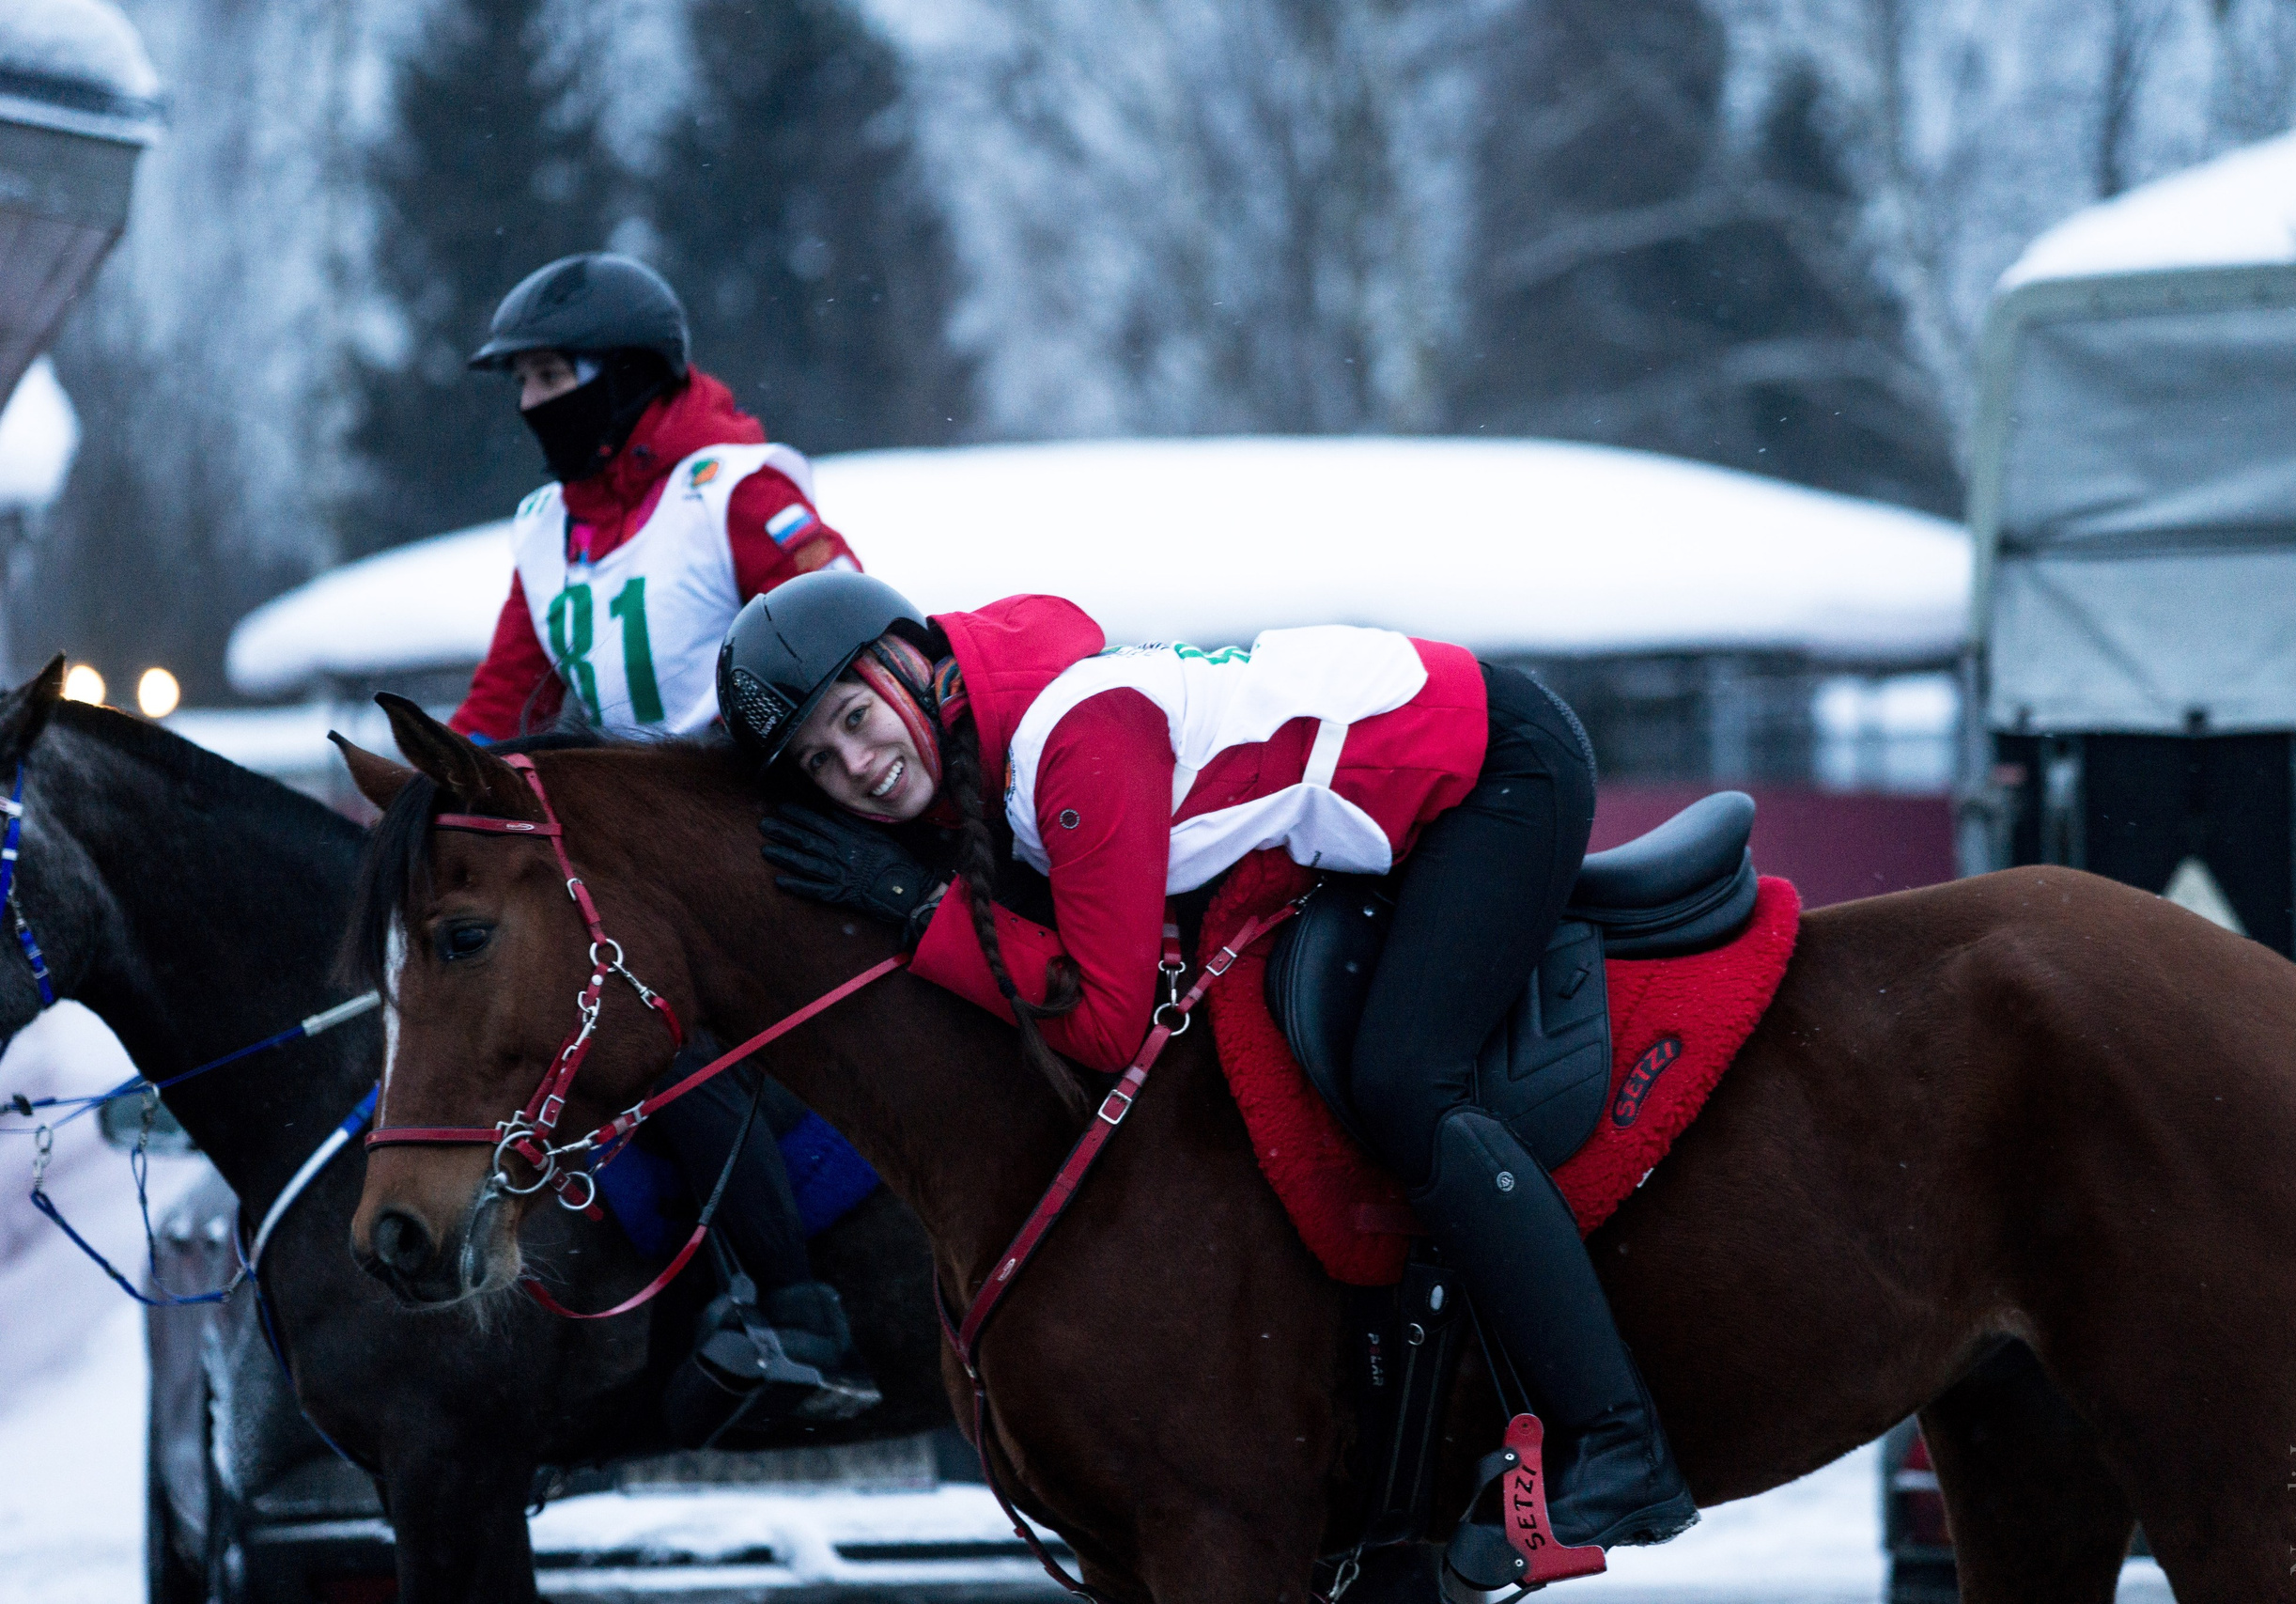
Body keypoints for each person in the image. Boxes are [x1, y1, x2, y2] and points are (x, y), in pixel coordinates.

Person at [715, 572, 1699, 1582]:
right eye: (820, 763)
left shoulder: (1070, 743)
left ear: (910, 663)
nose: (857, 766)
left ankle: (1615, 1439)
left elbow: (1104, 1023)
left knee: (1407, 1082)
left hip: (1495, 772)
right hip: (1400, 795)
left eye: (854, 719)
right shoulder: (995, 734)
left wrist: (916, 912)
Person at [454, 252, 877, 1425]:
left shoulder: (734, 493)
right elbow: (503, 701)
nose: (535, 402)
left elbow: (845, 631)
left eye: (554, 374)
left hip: (765, 832)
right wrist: (413, 812)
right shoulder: (546, 531)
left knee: (651, 1034)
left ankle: (794, 1308)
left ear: (633, 378)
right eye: (522, 381)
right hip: (630, 856)